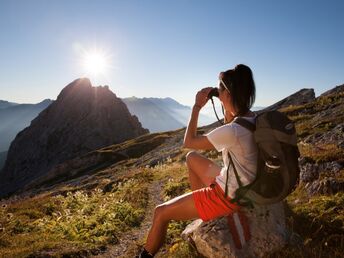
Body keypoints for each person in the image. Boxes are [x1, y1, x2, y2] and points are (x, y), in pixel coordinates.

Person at [137, 64, 257, 258]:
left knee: (160, 213)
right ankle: (201, 208)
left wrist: (196, 107)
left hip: (228, 196)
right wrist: (224, 97)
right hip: (241, 185)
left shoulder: (233, 131)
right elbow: (229, 123)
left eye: (221, 90)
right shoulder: (251, 118)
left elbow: (188, 141)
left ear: (229, 93)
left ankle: (145, 256)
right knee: (192, 158)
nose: (218, 92)